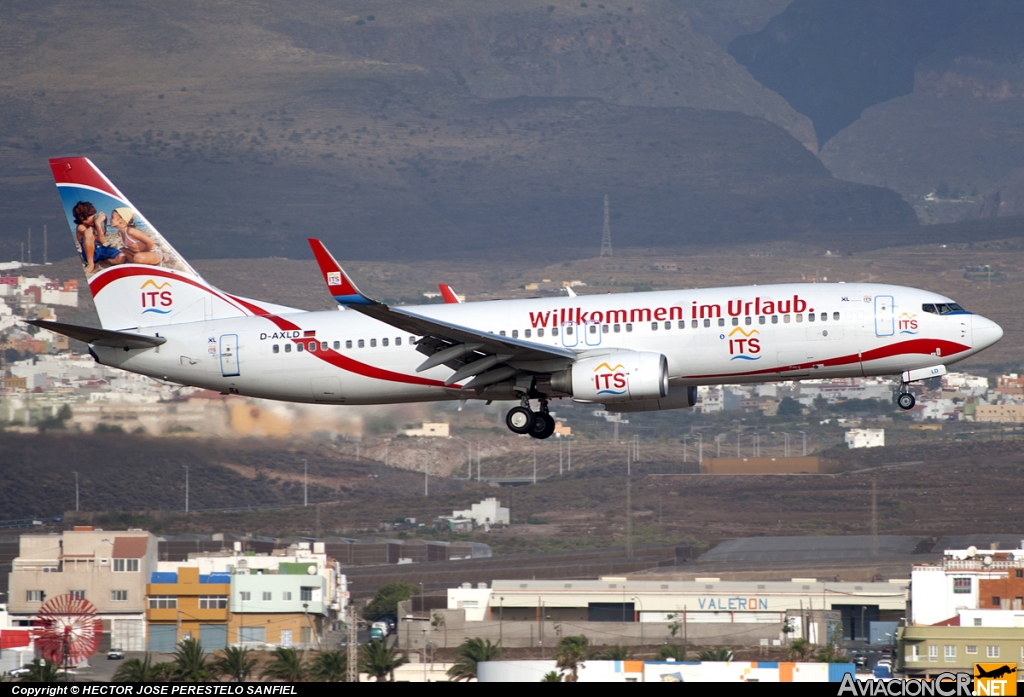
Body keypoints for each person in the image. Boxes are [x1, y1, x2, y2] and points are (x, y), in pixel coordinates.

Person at [73, 201, 125, 274]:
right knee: (89, 231)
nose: (95, 219)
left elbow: (102, 240)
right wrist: (97, 225)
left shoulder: (93, 226)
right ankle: (91, 264)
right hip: (90, 254)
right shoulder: (80, 227)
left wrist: (100, 224)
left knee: (121, 257)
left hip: (100, 250)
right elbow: (90, 235)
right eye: (93, 217)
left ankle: (103, 261)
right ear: (82, 218)